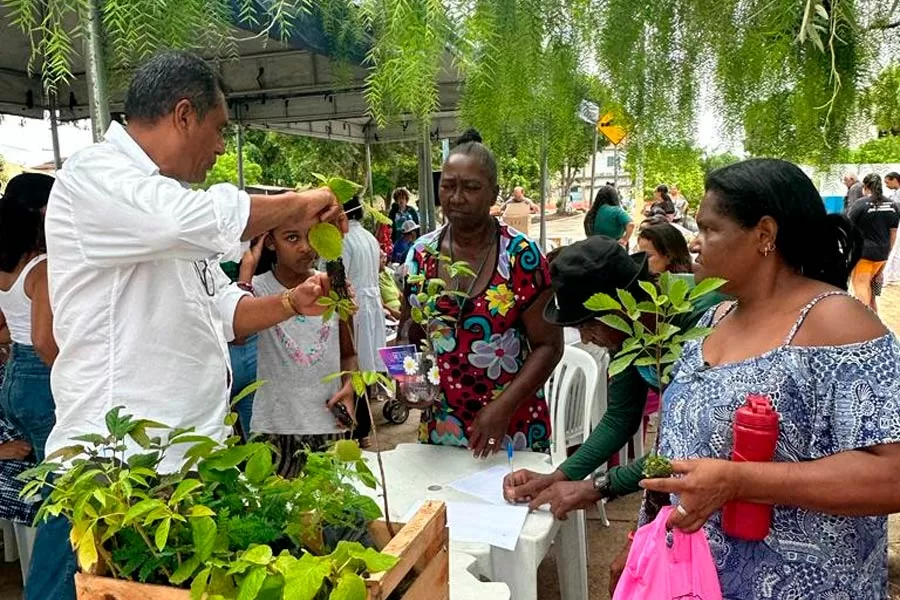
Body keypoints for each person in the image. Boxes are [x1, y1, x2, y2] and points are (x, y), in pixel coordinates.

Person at [37, 50, 343, 600]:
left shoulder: (163, 205)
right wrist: (295, 204)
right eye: (219, 128)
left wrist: (291, 304)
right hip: (114, 475)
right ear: (184, 115)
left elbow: (221, 310)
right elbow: (185, 219)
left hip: (181, 470)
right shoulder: (96, 178)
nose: (223, 146)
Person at [635, 158, 900, 600]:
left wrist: (742, 481)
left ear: (764, 234)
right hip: (695, 579)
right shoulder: (713, 317)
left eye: (710, 229)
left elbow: (893, 473)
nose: (697, 244)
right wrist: (645, 539)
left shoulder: (837, 324)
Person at [502, 236, 725, 520]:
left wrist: (600, 486)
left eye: (587, 324)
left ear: (621, 307)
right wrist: (559, 475)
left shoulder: (697, 320)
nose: (584, 338)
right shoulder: (628, 333)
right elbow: (621, 417)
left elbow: (687, 448)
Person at [402, 130, 563, 456]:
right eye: (448, 186)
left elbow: (548, 345)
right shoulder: (420, 255)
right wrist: (411, 381)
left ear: (494, 194)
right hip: (441, 427)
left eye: (471, 187)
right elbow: (410, 330)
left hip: (511, 425)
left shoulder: (521, 256)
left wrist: (502, 408)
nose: (456, 197)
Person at [246, 212, 357, 476]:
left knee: (329, 511)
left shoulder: (333, 287)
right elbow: (237, 335)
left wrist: (349, 387)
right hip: (273, 428)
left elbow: (349, 352)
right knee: (274, 510)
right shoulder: (257, 291)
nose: (305, 246)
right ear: (270, 241)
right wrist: (247, 269)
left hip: (327, 427)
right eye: (292, 237)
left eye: (312, 236)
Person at [0, 173, 58, 463]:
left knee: (45, 466)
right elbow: (43, 340)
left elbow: (11, 326)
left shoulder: (6, 269)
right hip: (41, 379)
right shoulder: (42, 270)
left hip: (14, 379)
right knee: (61, 473)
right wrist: (70, 376)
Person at [341, 195, 387, 446]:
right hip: (370, 305)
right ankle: (364, 431)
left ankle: (357, 430)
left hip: (354, 308)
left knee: (353, 366)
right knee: (365, 366)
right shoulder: (369, 237)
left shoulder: (343, 240)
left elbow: (338, 279)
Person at [848, 173, 898, 311]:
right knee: (873, 291)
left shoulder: (860, 204)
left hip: (863, 255)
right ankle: (876, 323)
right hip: (882, 255)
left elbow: (849, 229)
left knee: (861, 289)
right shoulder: (892, 205)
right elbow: (893, 234)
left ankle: (865, 326)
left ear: (865, 187)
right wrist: (887, 255)